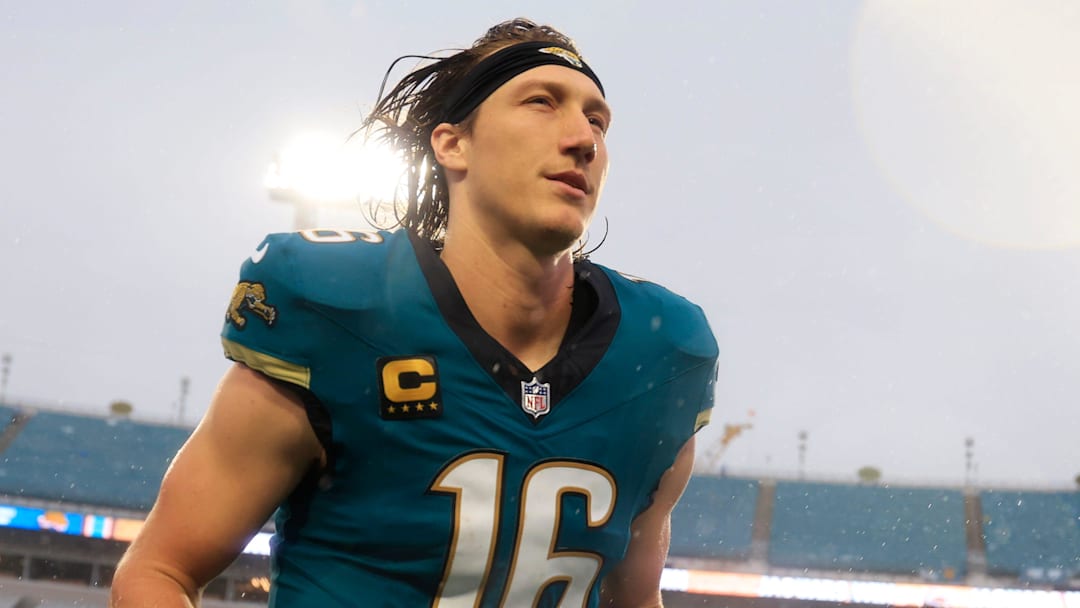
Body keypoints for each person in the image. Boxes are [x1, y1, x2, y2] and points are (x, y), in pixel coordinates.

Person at [110, 17, 718, 608]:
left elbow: (633, 600)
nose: (583, 139)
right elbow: (162, 569)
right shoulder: (341, 310)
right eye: (541, 102)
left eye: (597, 120)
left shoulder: (662, 355)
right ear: (454, 144)